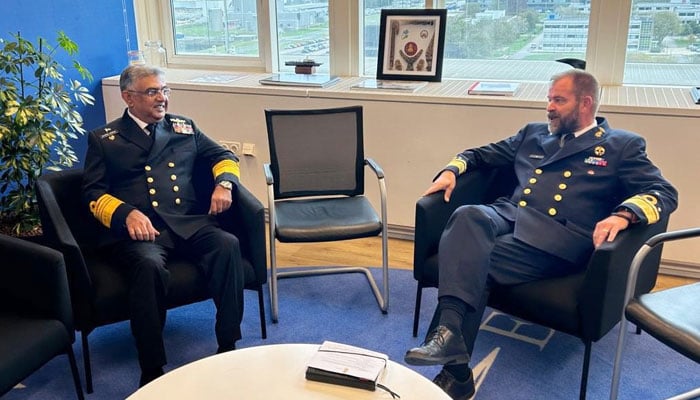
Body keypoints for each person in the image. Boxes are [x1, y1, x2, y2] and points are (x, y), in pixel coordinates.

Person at [403, 69, 678, 400]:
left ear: (586, 103)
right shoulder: (533, 134)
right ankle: (449, 338)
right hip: (510, 216)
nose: (549, 107)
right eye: (549, 98)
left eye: (559, 100)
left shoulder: (620, 145)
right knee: (467, 214)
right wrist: (451, 171)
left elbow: (663, 191)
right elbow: (479, 154)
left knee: (472, 262)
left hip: (558, 240)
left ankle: (455, 369)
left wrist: (623, 215)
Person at [82, 65, 245, 387]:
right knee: (147, 266)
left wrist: (224, 184)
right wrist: (126, 213)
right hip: (141, 230)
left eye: (165, 90)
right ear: (128, 97)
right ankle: (152, 366)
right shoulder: (105, 140)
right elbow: (92, 193)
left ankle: (229, 344)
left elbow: (224, 155)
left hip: (186, 220)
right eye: (153, 92)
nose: (163, 99)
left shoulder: (183, 127)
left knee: (227, 244)